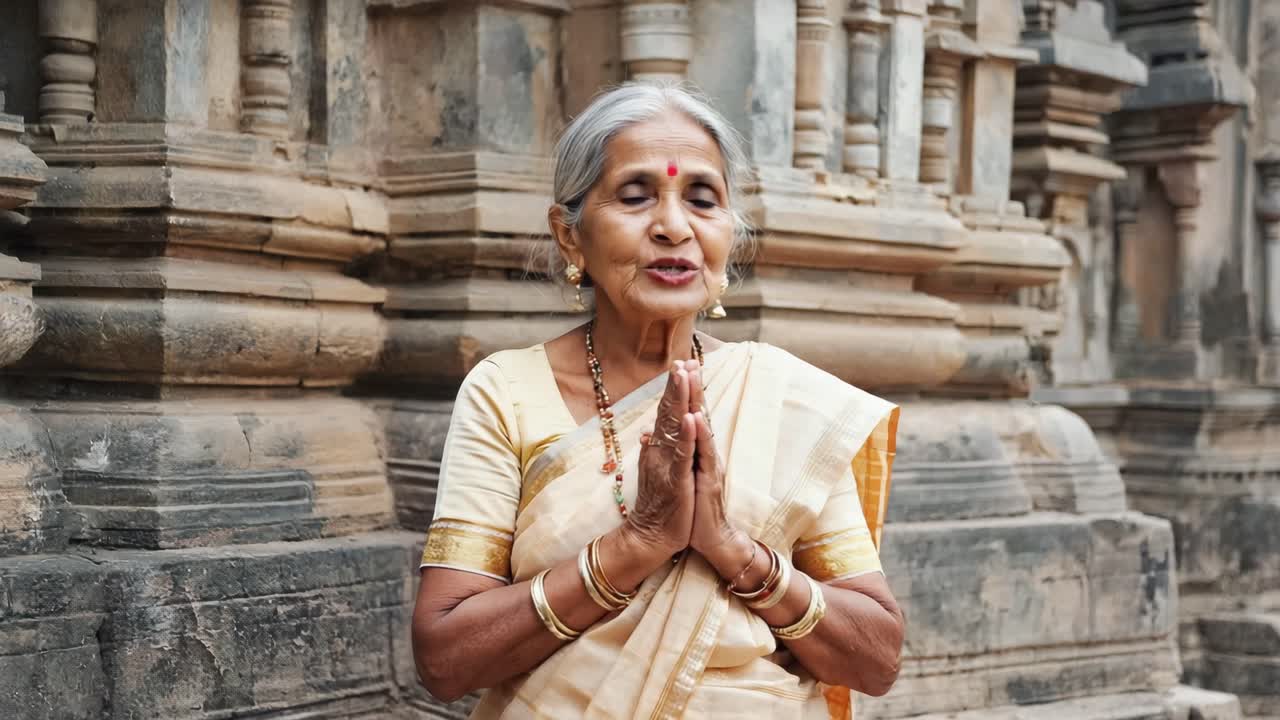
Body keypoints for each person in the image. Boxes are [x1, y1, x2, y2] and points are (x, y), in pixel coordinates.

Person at [411, 83, 904, 719]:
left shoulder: (784, 402)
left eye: (702, 199)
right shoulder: (507, 391)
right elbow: (447, 658)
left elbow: (876, 659)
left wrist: (733, 549)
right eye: (636, 196)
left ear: (729, 234)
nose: (673, 227)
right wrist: (637, 543)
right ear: (570, 236)